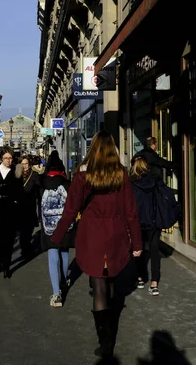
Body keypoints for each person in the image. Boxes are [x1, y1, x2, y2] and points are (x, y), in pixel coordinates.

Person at [51, 130, 143, 359]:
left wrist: (57, 236)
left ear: (93, 149)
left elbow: (71, 209)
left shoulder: (83, 176)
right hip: (116, 234)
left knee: (98, 285)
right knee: (111, 281)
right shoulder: (121, 175)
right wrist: (137, 242)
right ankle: (110, 329)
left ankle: (105, 342)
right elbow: (131, 212)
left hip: (91, 235)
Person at [0, 147, 24, 279]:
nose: (9, 160)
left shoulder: (16, 172)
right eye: (6, 158)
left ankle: (6, 266)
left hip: (10, 209)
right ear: (1, 158)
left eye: (11, 158)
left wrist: (17, 203)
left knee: (9, 240)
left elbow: (20, 193)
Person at [39, 151, 72, 307]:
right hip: (64, 225)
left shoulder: (42, 182)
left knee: (53, 256)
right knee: (64, 252)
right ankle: (64, 281)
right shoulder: (66, 183)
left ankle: (56, 293)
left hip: (48, 226)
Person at [130, 156, 162, 296]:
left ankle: (140, 277)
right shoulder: (154, 181)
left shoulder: (131, 184)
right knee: (155, 251)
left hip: (137, 222)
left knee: (138, 249)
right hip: (153, 220)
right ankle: (154, 283)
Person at [18, 154, 40, 258]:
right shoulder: (16, 174)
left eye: (26, 164)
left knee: (29, 227)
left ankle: (26, 245)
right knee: (22, 228)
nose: (25, 166)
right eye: (22, 164)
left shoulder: (34, 174)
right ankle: (24, 247)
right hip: (20, 205)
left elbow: (39, 186)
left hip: (31, 204)